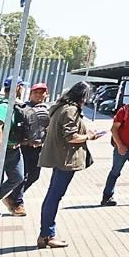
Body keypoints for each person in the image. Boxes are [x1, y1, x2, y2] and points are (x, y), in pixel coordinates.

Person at [38, 82, 103, 248]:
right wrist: (88, 136)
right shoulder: (71, 110)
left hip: (59, 157)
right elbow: (71, 137)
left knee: (53, 195)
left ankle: (46, 234)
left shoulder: (60, 107)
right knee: (54, 196)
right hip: (65, 159)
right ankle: (47, 235)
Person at [0, 80, 50, 217]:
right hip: (24, 147)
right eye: (36, 92)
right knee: (21, 176)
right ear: (30, 94)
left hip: (38, 147)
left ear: (46, 94)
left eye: (42, 92)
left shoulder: (47, 109)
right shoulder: (22, 107)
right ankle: (17, 202)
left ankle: (12, 198)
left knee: (34, 176)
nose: (39, 95)